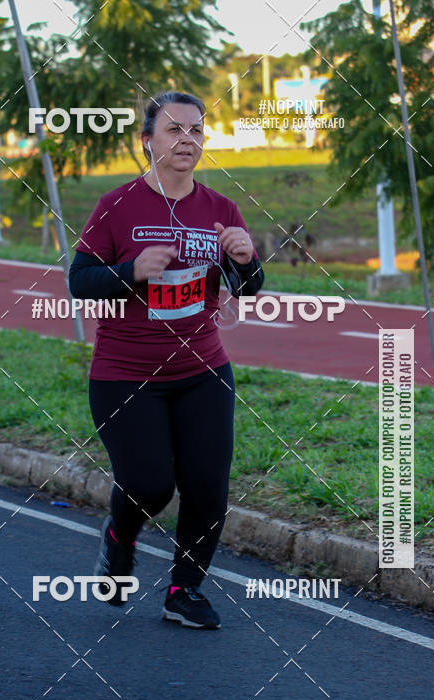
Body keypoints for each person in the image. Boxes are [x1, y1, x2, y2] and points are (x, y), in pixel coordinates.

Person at [69, 90, 264, 629]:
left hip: (202, 369)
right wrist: (130, 270)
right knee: (151, 486)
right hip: (126, 374)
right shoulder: (117, 205)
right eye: (175, 129)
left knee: (207, 487)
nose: (188, 140)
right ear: (147, 140)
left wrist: (246, 261)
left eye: (197, 131)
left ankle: (184, 590)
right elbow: (80, 283)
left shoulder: (220, 209)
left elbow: (245, 290)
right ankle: (119, 535)